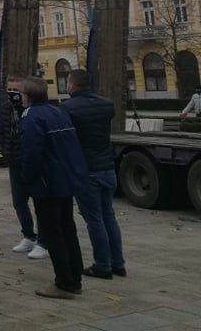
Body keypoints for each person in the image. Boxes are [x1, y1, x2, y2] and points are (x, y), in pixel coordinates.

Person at [19, 76, 87, 299]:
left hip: (46, 182)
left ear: (26, 97)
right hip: (66, 179)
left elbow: (32, 153)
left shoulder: (30, 117)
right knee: (68, 228)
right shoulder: (59, 112)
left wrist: (27, 180)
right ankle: (75, 277)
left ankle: (64, 282)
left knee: (52, 232)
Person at [61, 69, 126, 279]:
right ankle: (118, 263)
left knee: (94, 219)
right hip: (108, 167)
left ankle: (103, 265)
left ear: (71, 85)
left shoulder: (68, 108)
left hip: (87, 170)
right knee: (109, 216)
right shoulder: (106, 104)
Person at [0, 77, 47, 259]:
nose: (12, 93)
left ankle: (43, 241)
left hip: (31, 162)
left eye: (16, 90)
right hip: (14, 161)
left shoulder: (30, 109)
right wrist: (4, 151)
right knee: (19, 202)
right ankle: (29, 235)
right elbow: (2, 131)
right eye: (9, 89)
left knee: (39, 202)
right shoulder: (4, 107)